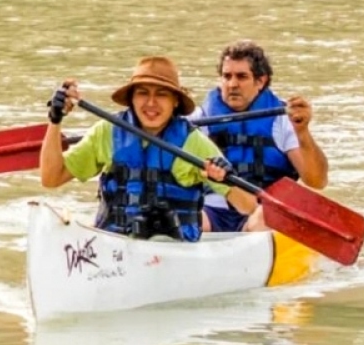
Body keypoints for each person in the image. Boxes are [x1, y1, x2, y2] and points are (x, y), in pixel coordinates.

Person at [40, 56, 256, 242]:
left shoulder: (193, 142)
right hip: (114, 243)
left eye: (161, 94)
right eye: (143, 93)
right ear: (132, 99)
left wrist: (222, 179)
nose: (151, 103)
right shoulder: (106, 132)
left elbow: (248, 206)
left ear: (175, 102)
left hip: (174, 249)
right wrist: (55, 119)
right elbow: (51, 178)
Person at [191, 40, 329, 233]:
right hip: (212, 211)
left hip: (262, 213)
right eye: (226, 76)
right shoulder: (198, 120)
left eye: (241, 77)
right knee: (184, 218)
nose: (232, 84)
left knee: (263, 218)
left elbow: (317, 181)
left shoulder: (283, 120)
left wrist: (303, 132)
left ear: (260, 81)